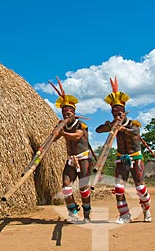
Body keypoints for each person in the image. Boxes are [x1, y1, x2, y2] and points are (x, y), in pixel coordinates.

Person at [95, 77, 152, 224]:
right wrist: (109, 125)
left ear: (124, 111)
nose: (116, 114)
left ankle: (146, 210)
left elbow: (135, 134)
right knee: (119, 188)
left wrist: (123, 129)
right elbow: (98, 130)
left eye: (119, 111)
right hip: (121, 158)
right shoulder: (113, 124)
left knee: (140, 187)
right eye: (114, 111)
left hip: (135, 157)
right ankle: (124, 215)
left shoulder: (134, 124)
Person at [50, 78, 93, 223]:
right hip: (71, 159)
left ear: (74, 112)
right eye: (64, 112)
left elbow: (77, 136)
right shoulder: (61, 125)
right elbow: (54, 138)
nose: (66, 114)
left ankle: (87, 215)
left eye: (68, 111)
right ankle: (73, 212)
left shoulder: (81, 125)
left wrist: (62, 133)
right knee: (66, 187)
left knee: (83, 189)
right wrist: (55, 133)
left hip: (84, 158)